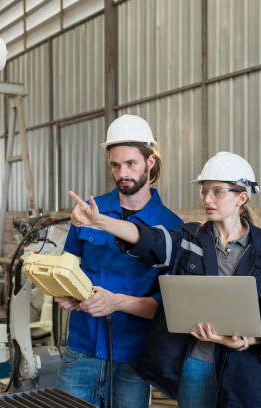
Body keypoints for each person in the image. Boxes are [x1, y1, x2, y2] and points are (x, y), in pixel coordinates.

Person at [68, 151, 261, 408]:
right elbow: (151, 240)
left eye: (217, 191)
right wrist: (100, 221)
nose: (207, 199)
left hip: (245, 368)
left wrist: (245, 340)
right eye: (204, 191)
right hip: (196, 365)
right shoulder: (190, 239)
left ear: (241, 197)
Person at [54, 114, 183, 408]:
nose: (122, 172)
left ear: (150, 162)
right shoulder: (87, 214)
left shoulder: (170, 229)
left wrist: (117, 302)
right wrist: (66, 293)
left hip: (132, 358)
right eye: (115, 164)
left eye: (131, 163)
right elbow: (68, 270)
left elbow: (167, 308)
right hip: (80, 349)